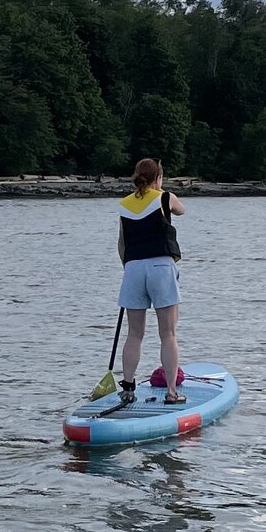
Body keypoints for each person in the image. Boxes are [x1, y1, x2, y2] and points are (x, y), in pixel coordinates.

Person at [115, 156, 188, 404]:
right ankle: (171, 391)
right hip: (160, 266)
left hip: (132, 268)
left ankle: (127, 389)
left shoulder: (124, 204)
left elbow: (122, 244)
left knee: (134, 333)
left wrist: (130, 268)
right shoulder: (165, 198)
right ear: (159, 178)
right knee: (168, 333)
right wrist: (159, 190)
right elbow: (181, 210)